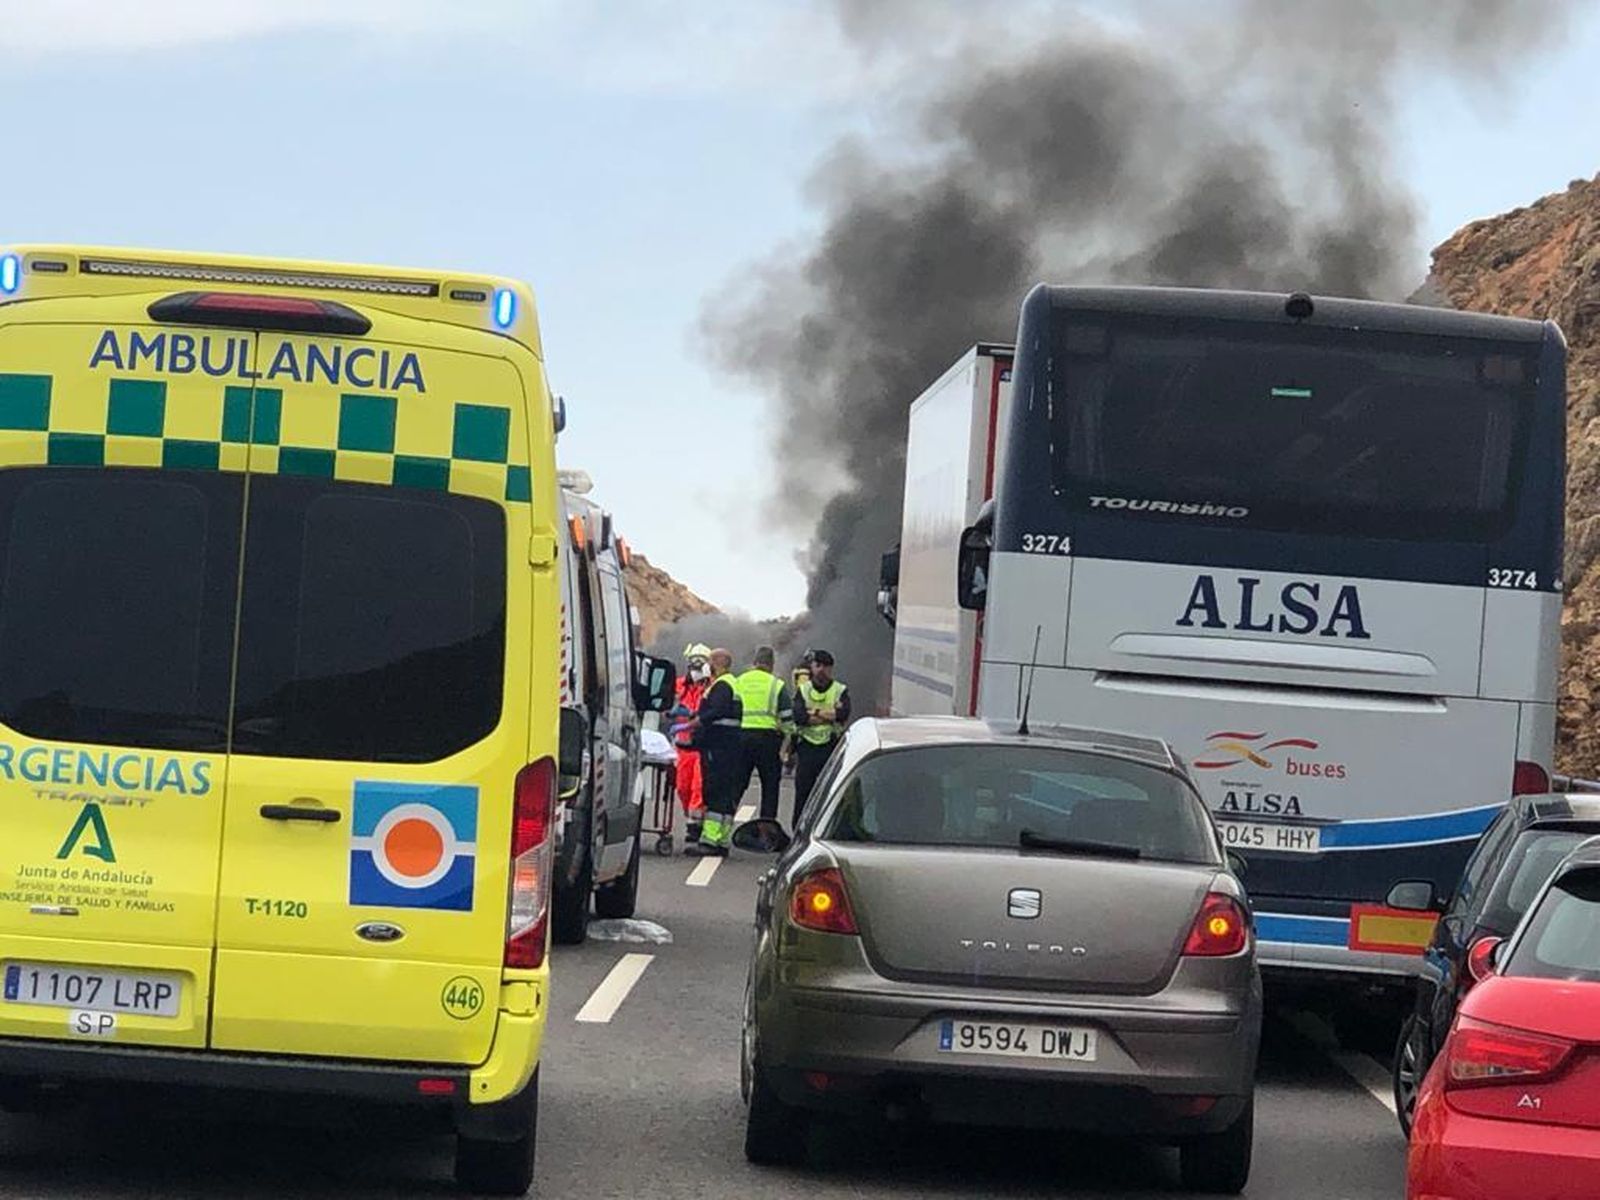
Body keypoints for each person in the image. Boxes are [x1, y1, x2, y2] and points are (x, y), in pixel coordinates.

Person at [688, 648, 743, 856]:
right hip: (729, 746)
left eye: (710, 660)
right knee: (726, 796)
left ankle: (709, 841)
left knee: (714, 792)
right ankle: (722, 840)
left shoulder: (721, 685)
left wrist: (697, 721)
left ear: (717, 663)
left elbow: (717, 711)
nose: (706, 664)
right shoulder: (732, 683)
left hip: (718, 747)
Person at [792, 649, 850, 826]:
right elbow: (799, 717)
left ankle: (827, 827)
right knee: (803, 791)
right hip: (807, 748)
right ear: (812, 666)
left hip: (830, 748)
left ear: (831, 669)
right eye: (818, 665)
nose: (821, 670)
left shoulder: (840, 689)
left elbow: (843, 714)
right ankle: (798, 828)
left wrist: (814, 713)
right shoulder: (803, 689)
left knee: (831, 792)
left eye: (826, 666)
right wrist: (827, 714)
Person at [735, 646, 792, 823]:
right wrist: (789, 743)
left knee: (736, 784)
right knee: (770, 785)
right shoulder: (777, 684)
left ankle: (724, 825)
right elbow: (787, 719)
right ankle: (767, 830)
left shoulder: (739, 681)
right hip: (768, 740)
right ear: (771, 664)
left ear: (754, 663)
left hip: (740, 738)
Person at [668, 643, 712, 844]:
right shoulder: (679, 686)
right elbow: (666, 706)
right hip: (682, 747)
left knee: (699, 788)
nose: (695, 669)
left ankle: (695, 826)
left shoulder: (711, 687)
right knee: (682, 787)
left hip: (702, 747)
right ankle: (691, 817)